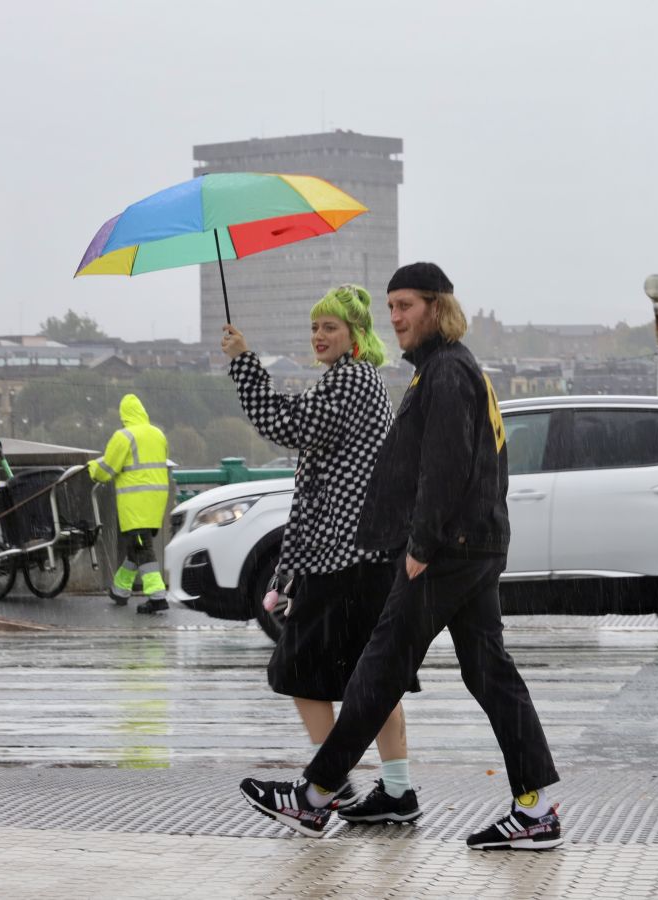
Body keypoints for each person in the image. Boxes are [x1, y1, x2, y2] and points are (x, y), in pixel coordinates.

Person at [239, 262, 562, 850]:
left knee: (380, 668)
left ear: (437, 307)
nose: (395, 317)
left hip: (446, 552)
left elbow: (446, 465)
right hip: (472, 545)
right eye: (390, 307)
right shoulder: (450, 369)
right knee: (489, 674)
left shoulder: (446, 372)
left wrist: (421, 544)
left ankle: (315, 796)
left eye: (405, 305)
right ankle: (535, 810)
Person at [222, 284, 422, 825]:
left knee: (299, 669)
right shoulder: (356, 380)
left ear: (356, 335)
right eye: (314, 327)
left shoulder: (351, 381)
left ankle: (333, 786)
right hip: (362, 555)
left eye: (330, 327)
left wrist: (243, 362)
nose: (318, 336)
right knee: (374, 679)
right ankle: (394, 791)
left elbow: (284, 425)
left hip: (345, 559)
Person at [88, 393, 172, 614]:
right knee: (136, 547)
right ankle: (120, 590)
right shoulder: (158, 434)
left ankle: (157, 596)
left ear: (124, 415)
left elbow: (107, 470)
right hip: (156, 501)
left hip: (135, 503)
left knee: (143, 548)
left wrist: (92, 468)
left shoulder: (123, 436)